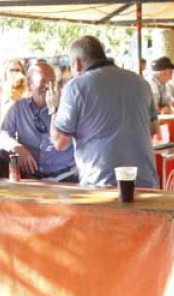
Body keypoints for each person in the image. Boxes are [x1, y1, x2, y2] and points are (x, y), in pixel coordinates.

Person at [49, 35, 159, 188]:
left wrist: (53, 108)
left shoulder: (76, 87)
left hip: (101, 183)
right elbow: (154, 129)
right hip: (144, 180)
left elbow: (60, 142)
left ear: (78, 63)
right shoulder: (141, 82)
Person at [0, 63, 77, 183]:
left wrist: (54, 109)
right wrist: (17, 147)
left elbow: (62, 142)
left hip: (65, 176)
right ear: (29, 85)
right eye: (43, 81)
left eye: (52, 81)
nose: (48, 86)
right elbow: (2, 135)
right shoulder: (19, 108)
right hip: (32, 178)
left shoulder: (66, 107)